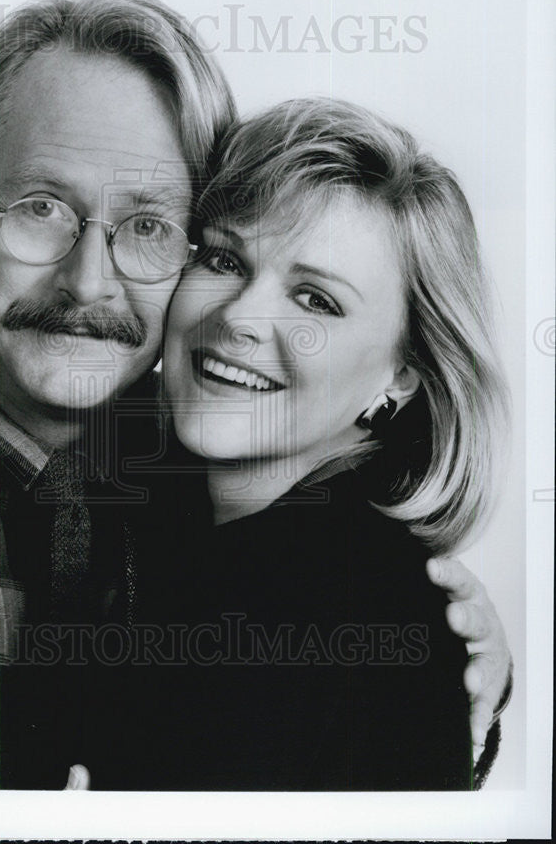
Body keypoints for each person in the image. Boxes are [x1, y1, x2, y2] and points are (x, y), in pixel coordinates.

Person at [0, 0, 511, 789]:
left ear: (404, 373)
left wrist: (429, 684)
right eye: (43, 207)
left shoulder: (284, 542)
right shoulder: (204, 482)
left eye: (148, 225)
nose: (89, 282)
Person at [86, 98, 510, 790]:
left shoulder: (355, 620)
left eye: (315, 300)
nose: (239, 318)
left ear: (402, 375)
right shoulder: (178, 514)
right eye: (224, 259)